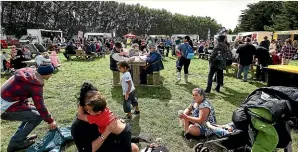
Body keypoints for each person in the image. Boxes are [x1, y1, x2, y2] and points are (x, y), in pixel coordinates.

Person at [1, 64, 57, 152]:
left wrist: (26, 103)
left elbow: (19, 90)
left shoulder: (29, 71)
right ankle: (15, 143)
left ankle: (20, 137)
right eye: (51, 73)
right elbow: (40, 106)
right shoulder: (35, 83)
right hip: (5, 108)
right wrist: (50, 121)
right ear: (46, 74)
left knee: (33, 110)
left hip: (6, 100)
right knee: (37, 117)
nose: (51, 75)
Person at [71, 82, 139, 152]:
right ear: (84, 106)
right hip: (105, 144)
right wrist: (106, 133)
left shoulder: (97, 111)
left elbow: (81, 115)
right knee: (134, 148)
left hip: (114, 140)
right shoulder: (78, 127)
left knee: (135, 148)